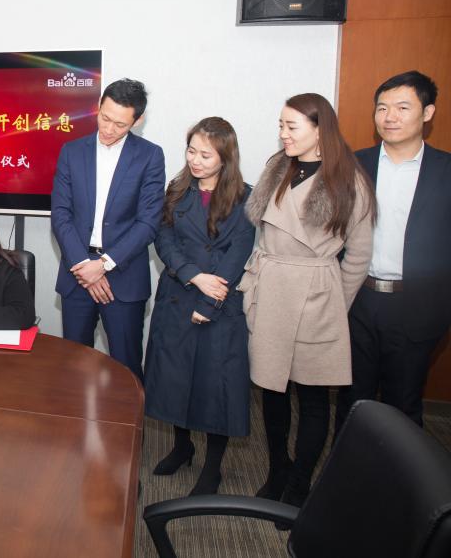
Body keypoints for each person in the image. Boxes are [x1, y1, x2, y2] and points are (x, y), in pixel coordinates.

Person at [237, 93, 375, 510]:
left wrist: (333, 304)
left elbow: (359, 255)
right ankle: (277, 470)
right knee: (272, 391)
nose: (283, 134)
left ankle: (300, 483)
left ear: (319, 130)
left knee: (313, 399)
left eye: (291, 126)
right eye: (280, 125)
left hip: (317, 296)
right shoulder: (277, 168)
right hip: (272, 290)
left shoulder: (348, 179)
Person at [144, 117, 255, 496]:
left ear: (225, 158)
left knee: (215, 388)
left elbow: (237, 255)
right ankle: (182, 447)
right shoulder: (177, 190)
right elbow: (164, 238)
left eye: (206, 155)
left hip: (220, 303)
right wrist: (192, 275)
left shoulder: (245, 198)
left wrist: (209, 302)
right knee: (175, 381)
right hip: (179, 293)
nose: (195, 160)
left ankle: (212, 467)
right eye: (191, 151)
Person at [336, 71, 451, 430]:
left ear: (427, 113)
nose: (390, 117)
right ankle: (348, 467)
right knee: (352, 402)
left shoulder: (445, 170)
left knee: (403, 406)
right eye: (382, 108)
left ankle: (398, 469)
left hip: (416, 307)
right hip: (359, 299)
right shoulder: (354, 165)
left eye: (402, 107)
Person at [51, 78, 166, 379]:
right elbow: (61, 214)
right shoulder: (72, 151)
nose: (109, 129)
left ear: (137, 121)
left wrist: (102, 265)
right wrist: (83, 266)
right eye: (105, 117)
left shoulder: (150, 156)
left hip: (123, 278)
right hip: (77, 275)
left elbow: (148, 222)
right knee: (73, 368)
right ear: (99, 107)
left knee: (126, 371)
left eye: (120, 124)